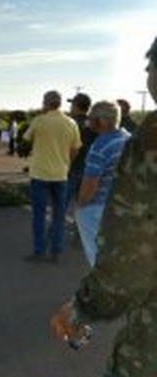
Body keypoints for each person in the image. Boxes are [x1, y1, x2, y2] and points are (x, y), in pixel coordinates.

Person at [51, 36, 157, 377]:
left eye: (150, 65)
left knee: (100, 256)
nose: (147, 73)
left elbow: (130, 261)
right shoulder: (127, 136)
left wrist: (81, 308)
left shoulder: (145, 144)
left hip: (147, 363)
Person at [23, 90, 81, 262]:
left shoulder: (39, 121)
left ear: (45, 103)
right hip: (61, 175)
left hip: (40, 174)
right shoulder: (71, 123)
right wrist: (66, 162)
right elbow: (76, 149)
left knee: (39, 215)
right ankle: (56, 251)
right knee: (59, 214)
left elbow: (27, 139)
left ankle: (39, 250)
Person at [74, 101, 130, 266]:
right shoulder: (127, 138)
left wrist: (79, 204)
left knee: (96, 255)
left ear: (101, 121)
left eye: (92, 117)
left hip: (97, 207)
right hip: (120, 204)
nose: (89, 120)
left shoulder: (100, 146)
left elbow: (90, 185)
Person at [66, 92, 97, 210]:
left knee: (62, 203)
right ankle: (79, 227)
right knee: (83, 204)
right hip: (89, 168)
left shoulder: (71, 123)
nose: (70, 107)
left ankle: (57, 227)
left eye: (72, 104)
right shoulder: (95, 123)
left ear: (77, 106)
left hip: (73, 167)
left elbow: (70, 147)